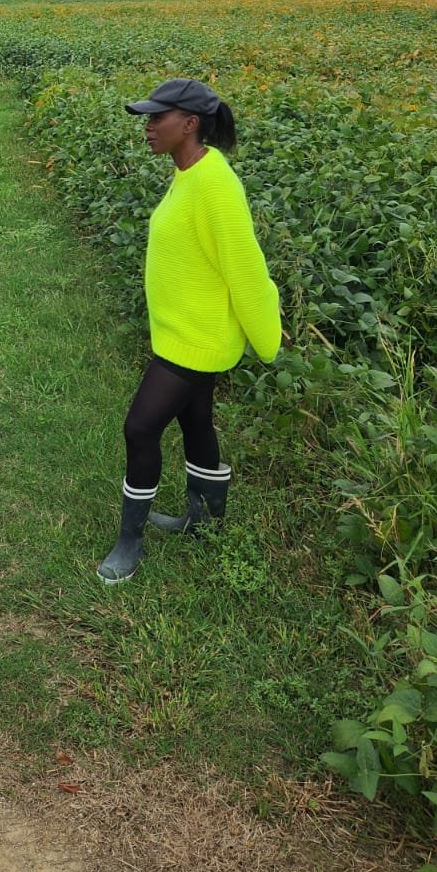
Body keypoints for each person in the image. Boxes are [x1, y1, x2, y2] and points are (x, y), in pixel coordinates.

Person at [96, 78, 280, 585]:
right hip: (183, 331)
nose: (148, 126)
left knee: (140, 428)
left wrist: (268, 338)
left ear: (190, 124)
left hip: (199, 339)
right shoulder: (190, 173)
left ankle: (130, 542)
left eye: (158, 117)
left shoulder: (215, 185)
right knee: (196, 422)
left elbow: (246, 268)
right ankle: (204, 523)